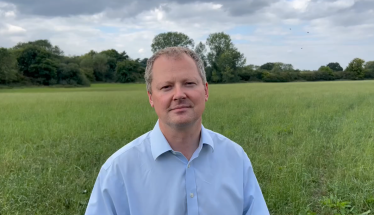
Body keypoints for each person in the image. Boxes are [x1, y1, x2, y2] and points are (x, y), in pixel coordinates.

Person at [85, 47, 270, 215]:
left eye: (189, 83)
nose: (179, 94)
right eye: (166, 87)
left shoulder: (236, 158)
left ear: (205, 91)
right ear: (151, 97)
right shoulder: (118, 170)